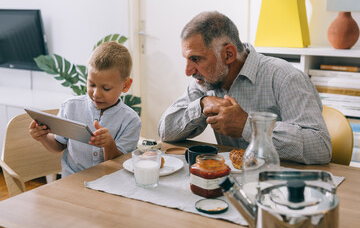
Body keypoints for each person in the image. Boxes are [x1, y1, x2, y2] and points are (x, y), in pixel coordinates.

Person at [158, 11, 331, 164]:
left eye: (196, 59)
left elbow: (320, 147)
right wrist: (202, 104)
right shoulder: (205, 82)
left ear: (228, 54)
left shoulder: (286, 77)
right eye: (186, 59)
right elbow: (165, 132)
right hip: (231, 183)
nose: (188, 71)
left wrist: (247, 126)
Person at [29, 42, 141, 177]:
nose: (96, 94)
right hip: (71, 181)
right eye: (91, 84)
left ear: (126, 85)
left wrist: (109, 145)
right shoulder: (70, 107)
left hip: (109, 183)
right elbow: (58, 145)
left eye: (106, 88)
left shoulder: (131, 121)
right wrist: (44, 138)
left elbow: (119, 166)